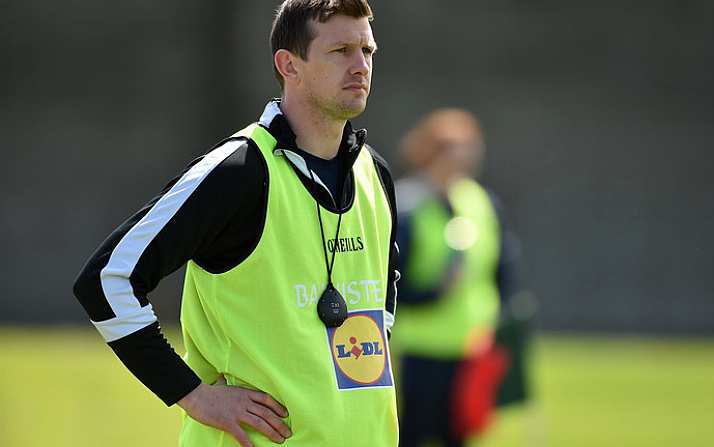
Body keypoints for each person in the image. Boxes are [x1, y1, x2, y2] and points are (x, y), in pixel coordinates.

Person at [72, 1, 400, 446]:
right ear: (289, 65)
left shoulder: (373, 172)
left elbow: (384, 285)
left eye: (368, 50)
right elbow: (107, 280)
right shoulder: (238, 171)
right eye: (341, 50)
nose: (361, 66)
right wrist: (191, 393)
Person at [391, 109, 518, 447]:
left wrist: (503, 324)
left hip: (473, 347)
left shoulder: (482, 203)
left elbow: (503, 269)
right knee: (413, 435)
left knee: (460, 435)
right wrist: (435, 293)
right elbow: (392, 284)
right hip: (423, 348)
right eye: (451, 150)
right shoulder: (406, 206)